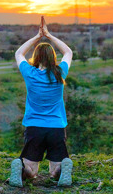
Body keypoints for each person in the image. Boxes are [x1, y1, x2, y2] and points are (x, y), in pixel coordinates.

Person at [9, 16, 73, 187]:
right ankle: (62, 169)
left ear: (36, 57)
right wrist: (49, 36)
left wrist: (38, 36)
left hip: (34, 127)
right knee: (54, 170)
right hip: (56, 128)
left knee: (32, 170)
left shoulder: (29, 73)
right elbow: (68, 52)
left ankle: (22, 168)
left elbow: (19, 53)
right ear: (53, 58)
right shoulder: (60, 73)